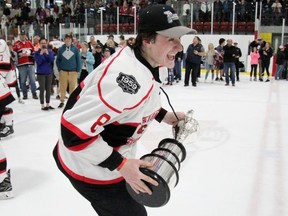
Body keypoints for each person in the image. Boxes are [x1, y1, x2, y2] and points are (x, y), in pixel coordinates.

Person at [53, 4, 192, 216]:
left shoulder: (146, 61)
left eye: (179, 39)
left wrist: (164, 115)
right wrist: (123, 166)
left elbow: (137, 104)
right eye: (170, 39)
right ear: (147, 39)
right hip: (88, 168)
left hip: (108, 161)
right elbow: (73, 134)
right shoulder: (125, 80)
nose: (180, 47)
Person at [56, 33, 81, 108]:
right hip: (63, 71)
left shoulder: (75, 49)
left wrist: (78, 70)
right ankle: (62, 101)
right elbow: (58, 60)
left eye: (69, 40)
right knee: (62, 87)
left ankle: (71, 102)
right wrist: (60, 69)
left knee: (72, 88)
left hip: (73, 72)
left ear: (71, 41)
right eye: (66, 40)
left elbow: (78, 60)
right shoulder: (61, 49)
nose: (67, 41)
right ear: (64, 40)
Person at [13, 30, 38, 100]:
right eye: (21, 35)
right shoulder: (16, 44)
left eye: (24, 35)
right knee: (23, 81)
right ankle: (25, 94)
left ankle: (34, 93)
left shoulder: (29, 43)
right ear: (19, 36)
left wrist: (31, 54)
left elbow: (34, 52)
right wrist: (19, 54)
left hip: (30, 64)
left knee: (32, 80)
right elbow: (13, 54)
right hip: (21, 65)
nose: (23, 36)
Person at [34, 37, 55, 110]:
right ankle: (42, 105)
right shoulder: (36, 53)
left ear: (47, 44)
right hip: (41, 73)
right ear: (39, 44)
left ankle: (48, 104)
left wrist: (47, 53)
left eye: (44, 43)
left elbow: (51, 60)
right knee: (42, 89)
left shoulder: (50, 52)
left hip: (49, 72)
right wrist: (41, 54)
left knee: (48, 89)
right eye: (42, 43)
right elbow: (39, 62)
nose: (43, 45)